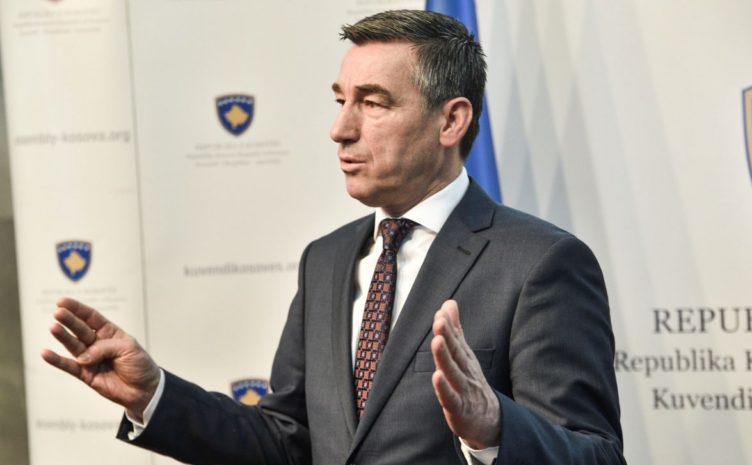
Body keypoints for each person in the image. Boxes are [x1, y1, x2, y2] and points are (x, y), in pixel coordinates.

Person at [42, 9, 626, 465]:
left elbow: (596, 455)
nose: (340, 129)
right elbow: (287, 440)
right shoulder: (325, 260)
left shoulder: (540, 263)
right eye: (341, 100)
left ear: (451, 121)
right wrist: (155, 395)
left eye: (372, 103)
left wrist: (494, 429)